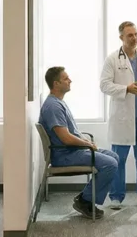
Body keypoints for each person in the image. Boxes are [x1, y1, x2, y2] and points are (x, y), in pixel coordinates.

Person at [39, 66, 119, 219]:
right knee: (110, 164)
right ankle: (85, 200)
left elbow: (69, 134)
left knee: (113, 157)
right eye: (66, 78)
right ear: (56, 84)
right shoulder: (53, 106)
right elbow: (66, 138)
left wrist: (84, 141)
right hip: (65, 155)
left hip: (74, 150)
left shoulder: (58, 102)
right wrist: (87, 144)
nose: (70, 81)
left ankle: (86, 198)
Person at [100, 21, 137, 209]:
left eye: (136, 34)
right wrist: (126, 89)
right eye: (129, 35)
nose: (134, 38)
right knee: (119, 160)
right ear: (121, 38)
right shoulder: (112, 59)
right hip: (123, 119)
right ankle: (116, 196)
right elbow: (104, 85)